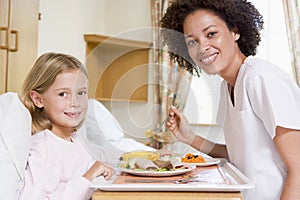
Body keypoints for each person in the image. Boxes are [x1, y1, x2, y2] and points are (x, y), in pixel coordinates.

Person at [160, 0, 300, 199]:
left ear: (235, 31)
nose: (202, 47)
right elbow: (239, 155)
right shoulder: (227, 86)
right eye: (192, 41)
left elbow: (299, 169)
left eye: (211, 34)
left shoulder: (260, 78)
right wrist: (189, 137)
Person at [18, 52, 114, 200]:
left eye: (81, 93)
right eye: (63, 94)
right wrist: (88, 177)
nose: (74, 102)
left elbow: (100, 163)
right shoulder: (41, 148)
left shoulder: (77, 141)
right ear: (38, 99)